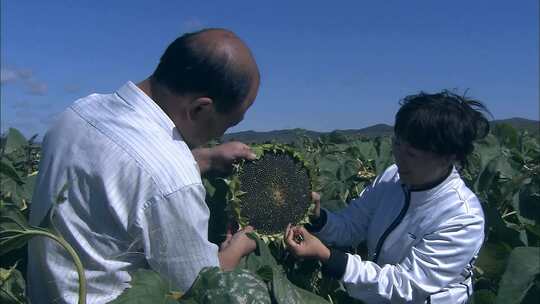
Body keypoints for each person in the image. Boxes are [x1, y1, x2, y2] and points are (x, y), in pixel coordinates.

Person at [27, 28, 260, 304]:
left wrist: (205, 158)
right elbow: (198, 288)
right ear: (200, 109)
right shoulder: (173, 178)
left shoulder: (78, 111)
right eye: (229, 123)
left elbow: (124, 177)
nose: (220, 134)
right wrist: (241, 245)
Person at [285, 91, 490, 303]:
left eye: (412, 154)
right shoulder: (391, 177)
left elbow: (406, 286)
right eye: (397, 145)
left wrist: (328, 256)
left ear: (449, 157)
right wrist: (318, 218)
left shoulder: (462, 217)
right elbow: (351, 225)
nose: (399, 158)